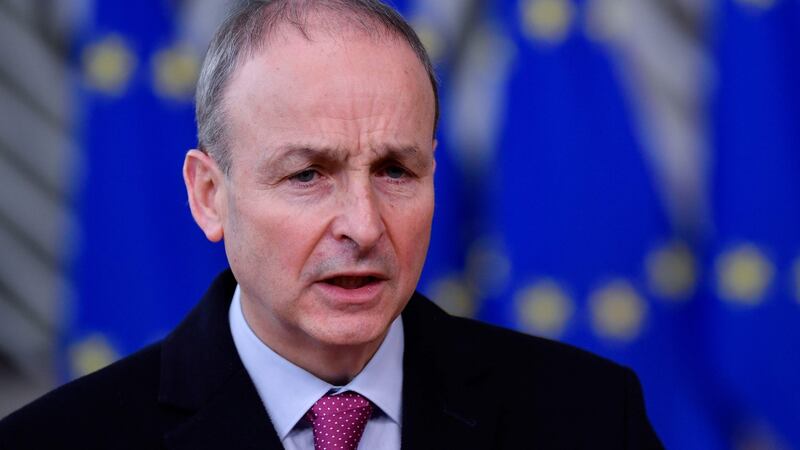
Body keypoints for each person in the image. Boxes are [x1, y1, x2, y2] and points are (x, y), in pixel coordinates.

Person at [0, 1, 663, 448]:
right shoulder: (58, 442)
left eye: (395, 172)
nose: (363, 226)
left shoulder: (593, 417)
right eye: (308, 175)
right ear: (208, 196)